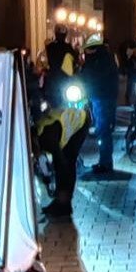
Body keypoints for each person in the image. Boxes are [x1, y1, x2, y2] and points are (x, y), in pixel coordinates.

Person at [35, 81, 91, 219]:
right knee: (62, 163)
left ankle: (64, 205)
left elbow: (62, 164)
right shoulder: (39, 133)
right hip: (65, 122)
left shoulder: (47, 138)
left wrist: (62, 192)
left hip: (81, 121)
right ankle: (60, 202)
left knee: (68, 161)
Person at [79, 33, 120, 175]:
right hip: (106, 97)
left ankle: (105, 163)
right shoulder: (107, 58)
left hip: (101, 98)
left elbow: (88, 76)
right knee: (104, 129)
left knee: (103, 130)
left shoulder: (97, 61)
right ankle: (105, 161)